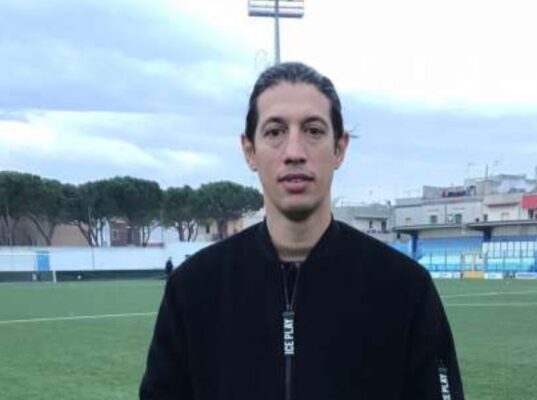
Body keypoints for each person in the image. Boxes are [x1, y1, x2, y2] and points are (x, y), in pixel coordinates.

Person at [139, 62, 464, 399]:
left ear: (339, 148)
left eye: (313, 130)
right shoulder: (193, 288)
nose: (294, 152)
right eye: (275, 132)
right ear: (249, 151)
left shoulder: (405, 287)